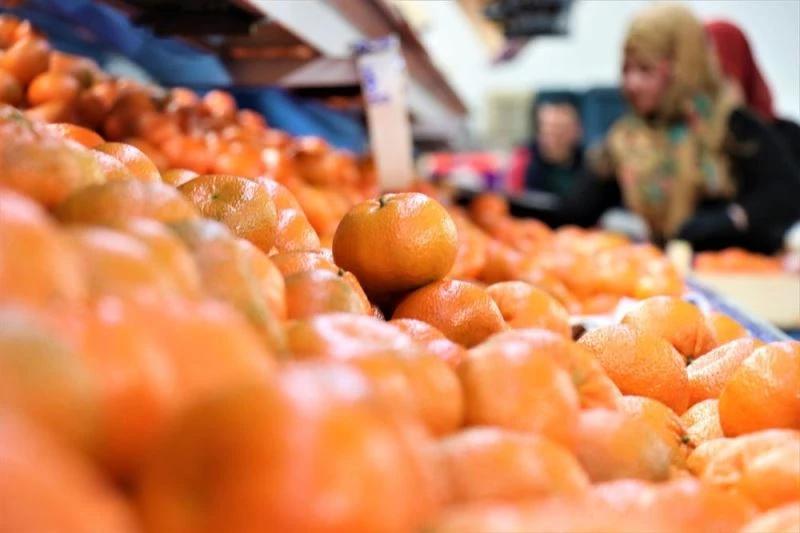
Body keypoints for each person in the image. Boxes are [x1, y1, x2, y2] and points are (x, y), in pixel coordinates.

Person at [551, 3, 800, 254]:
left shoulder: (730, 126)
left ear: (683, 68)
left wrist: (731, 219)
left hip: (738, 279)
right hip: (664, 282)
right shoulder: (627, 138)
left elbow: (787, 195)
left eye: (645, 70)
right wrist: (512, 204)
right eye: (626, 69)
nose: (631, 83)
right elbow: (574, 212)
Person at [705, 19, 800, 166]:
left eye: (725, 79)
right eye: (705, 84)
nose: (712, 95)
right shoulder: (688, 147)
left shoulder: (788, 139)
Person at [506, 96, 584, 198]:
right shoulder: (524, 160)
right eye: (550, 129)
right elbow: (513, 199)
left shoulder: (589, 163)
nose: (556, 136)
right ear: (539, 132)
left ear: (577, 131)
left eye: (562, 130)